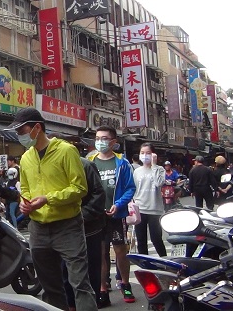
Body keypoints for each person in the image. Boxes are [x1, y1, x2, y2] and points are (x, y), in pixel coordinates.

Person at [8, 108, 97, 310]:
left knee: (80, 284)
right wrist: (26, 203)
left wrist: (48, 199)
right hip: (38, 228)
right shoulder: (26, 158)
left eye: (23, 131)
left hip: (68, 226)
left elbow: (80, 188)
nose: (20, 136)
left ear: (37, 128)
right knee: (50, 287)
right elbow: (27, 189)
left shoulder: (66, 151)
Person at [88, 125, 136, 306]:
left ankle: (125, 283)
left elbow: (131, 188)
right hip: (96, 217)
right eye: (98, 138)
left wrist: (118, 205)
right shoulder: (89, 161)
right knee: (99, 254)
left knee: (120, 251)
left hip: (117, 216)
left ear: (113, 142)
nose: (100, 141)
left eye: (105, 138)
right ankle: (102, 289)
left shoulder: (122, 164)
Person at [64, 157, 106, 311]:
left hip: (89, 229)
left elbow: (99, 196)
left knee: (88, 273)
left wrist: (79, 215)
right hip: (63, 229)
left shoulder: (86, 165)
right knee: (66, 274)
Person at [133, 143, 167, 257]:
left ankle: (166, 262)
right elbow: (134, 189)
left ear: (153, 154)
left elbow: (159, 183)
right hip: (140, 209)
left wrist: (154, 165)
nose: (144, 155)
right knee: (141, 241)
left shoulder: (160, 169)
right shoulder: (137, 171)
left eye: (148, 153)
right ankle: (145, 267)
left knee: (156, 239)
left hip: (154, 210)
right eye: (142, 153)